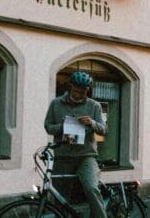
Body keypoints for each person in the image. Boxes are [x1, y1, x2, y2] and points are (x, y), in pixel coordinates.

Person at [44, 71, 108, 218]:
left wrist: (92, 123)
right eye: (76, 91)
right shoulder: (56, 103)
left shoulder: (94, 106)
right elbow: (48, 126)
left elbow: (104, 130)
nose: (79, 94)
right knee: (59, 195)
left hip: (85, 155)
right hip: (62, 155)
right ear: (70, 86)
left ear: (87, 90)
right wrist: (62, 126)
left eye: (83, 92)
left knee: (92, 188)